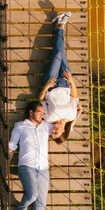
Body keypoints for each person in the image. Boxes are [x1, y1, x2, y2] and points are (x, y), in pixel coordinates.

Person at [7, 99, 63, 210]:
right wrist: (6, 166)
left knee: (41, 203)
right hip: (26, 166)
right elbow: (12, 147)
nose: (43, 115)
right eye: (40, 112)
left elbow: (61, 131)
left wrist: (72, 116)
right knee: (32, 194)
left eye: (44, 113)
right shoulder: (20, 126)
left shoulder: (46, 126)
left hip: (43, 169)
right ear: (31, 112)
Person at [40, 11, 81, 144]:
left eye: (52, 133)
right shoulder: (72, 116)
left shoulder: (48, 118)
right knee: (61, 53)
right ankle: (59, 24)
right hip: (65, 83)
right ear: (63, 132)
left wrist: (47, 86)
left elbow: (41, 99)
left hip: (51, 83)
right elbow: (74, 98)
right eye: (55, 133)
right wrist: (72, 81)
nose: (53, 131)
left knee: (58, 53)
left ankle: (61, 24)